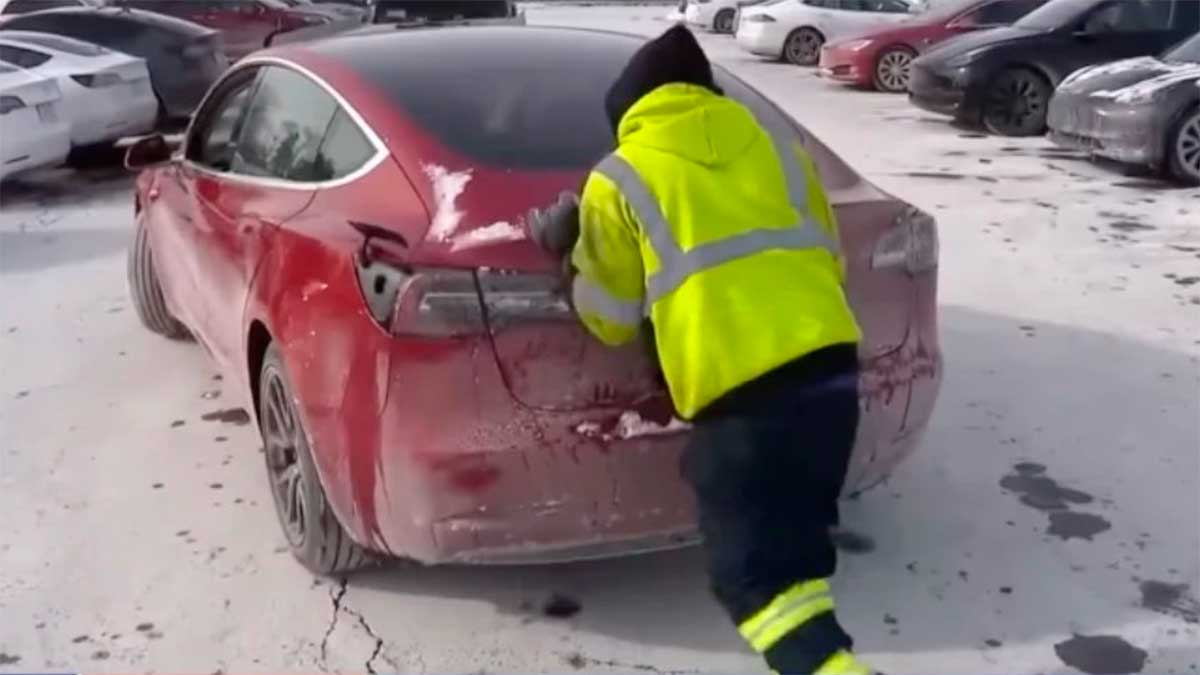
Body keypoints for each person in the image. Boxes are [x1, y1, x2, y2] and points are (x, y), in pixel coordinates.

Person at [525, 25, 873, 675]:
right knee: (798, 557)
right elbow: (831, 257)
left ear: (629, 116)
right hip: (831, 377)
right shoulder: (780, 149)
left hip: (744, 400)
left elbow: (610, 319)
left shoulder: (620, 176)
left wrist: (567, 255)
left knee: (754, 580)